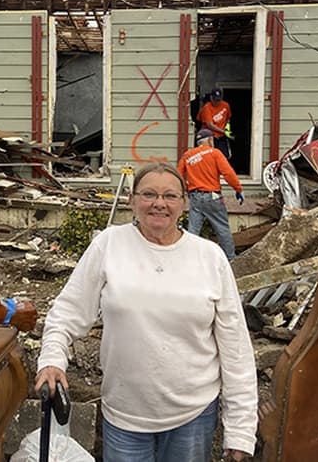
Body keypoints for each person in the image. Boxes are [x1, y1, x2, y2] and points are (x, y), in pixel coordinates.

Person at [35, 162, 258, 462]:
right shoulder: (109, 245)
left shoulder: (209, 257)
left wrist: (241, 429)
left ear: (185, 203)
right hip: (125, 414)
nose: (159, 203)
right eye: (149, 194)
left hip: (193, 415)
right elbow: (66, 313)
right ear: (132, 200)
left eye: (170, 196)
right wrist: (51, 360)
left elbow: (236, 348)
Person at [178, 129, 245, 260]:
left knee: (193, 232)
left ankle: (188, 259)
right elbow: (228, 173)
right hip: (213, 197)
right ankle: (231, 259)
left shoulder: (187, 155)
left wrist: (186, 189)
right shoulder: (215, 153)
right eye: (212, 140)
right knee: (222, 229)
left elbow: (178, 175)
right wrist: (238, 189)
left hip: (195, 197)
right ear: (209, 140)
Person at [197, 88, 232, 161]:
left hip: (222, 137)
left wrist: (227, 129)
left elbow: (228, 119)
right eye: (215, 100)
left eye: (218, 100)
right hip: (211, 136)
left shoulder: (226, 105)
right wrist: (223, 131)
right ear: (211, 98)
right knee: (210, 156)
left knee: (225, 156)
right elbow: (210, 124)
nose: (217, 102)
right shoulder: (207, 108)